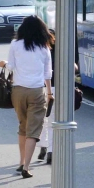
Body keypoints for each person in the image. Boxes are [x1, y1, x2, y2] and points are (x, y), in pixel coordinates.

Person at [0, 15, 54, 178]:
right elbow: (47, 73)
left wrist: (2, 64)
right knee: (33, 130)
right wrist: (49, 93)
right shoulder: (44, 47)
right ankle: (26, 167)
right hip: (36, 91)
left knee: (23, 126)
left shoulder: (15, 44)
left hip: (18, 91)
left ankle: (21, 161)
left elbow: (11, 66)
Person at [37, 28, 55, 165]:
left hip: (37, 87)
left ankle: (43, 145)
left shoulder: (35, 50)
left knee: (42, 120)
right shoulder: (60, 50)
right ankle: (51, 151)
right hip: (55, 87)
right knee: (52, 121)